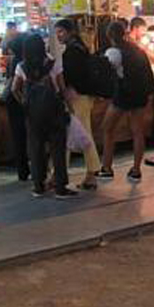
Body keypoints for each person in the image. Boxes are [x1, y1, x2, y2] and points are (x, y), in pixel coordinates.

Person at [13, 35, 78, 199]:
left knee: (36, 149)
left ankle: (38, 186)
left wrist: (25, 103)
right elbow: (62, 88)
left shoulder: (21, 67)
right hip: (54, 112)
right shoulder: (53, 63)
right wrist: (70, 109)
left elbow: (14, 89)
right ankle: (60, 187)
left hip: (33, 115)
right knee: (58, 149)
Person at [98, 21, 154, 182]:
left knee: (107, 128)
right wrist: (150, 95)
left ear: (109, 36)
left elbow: (106, 73)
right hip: (140, 94)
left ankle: (106, 167)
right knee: (138, 132)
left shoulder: (113, 52)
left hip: (123, 95)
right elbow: (148, 73)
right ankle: (136, 170)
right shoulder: (138, 50)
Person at [54, 19, 101, 189]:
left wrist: (71, 89)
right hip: (83, 96)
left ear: (70, 32)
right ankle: (62, 173)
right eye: (57, 32)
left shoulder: (72, 52)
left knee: (81, 135)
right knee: (77, 134)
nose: (58, 35)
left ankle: (90, 174)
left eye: (61, 32)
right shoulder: (80, 48)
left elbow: (74, 76)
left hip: (77, 98)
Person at [2, 34, 30, 182]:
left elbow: (11, 84)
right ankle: (33, 169)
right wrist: (24, 101)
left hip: (13, 103)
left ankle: (22, 170)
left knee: (18, 137)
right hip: (22, 102)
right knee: (30, 137)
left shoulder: (14, 62)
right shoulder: (25, 62)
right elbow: (15, 88)